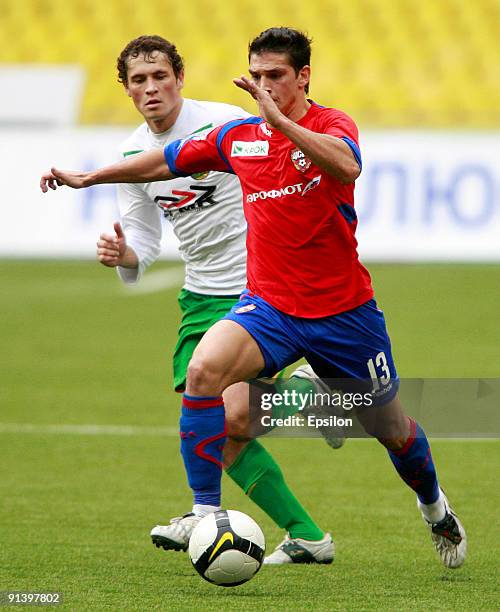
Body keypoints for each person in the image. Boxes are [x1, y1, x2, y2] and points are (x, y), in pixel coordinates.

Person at [40, 27, 467, 569]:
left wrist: (281, 122)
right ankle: (206, 514)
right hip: (269, 308)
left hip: (344, 314)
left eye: (277, 77)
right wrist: (90, 177)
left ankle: (434, 508)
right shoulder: (236, 137)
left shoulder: (331, 125)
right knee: (203, 373)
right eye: (257, 76)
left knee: (393, 430)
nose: (265, 86)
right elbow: (162, 162)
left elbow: (347, 166)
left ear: (303, 76)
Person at [93, 34, 335, 564]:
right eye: (139, 80)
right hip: (200, 296)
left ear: (180, 78)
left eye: (160, 76)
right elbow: (145, 245)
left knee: (220, 417)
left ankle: (205, 515)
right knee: (225, 432)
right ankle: (308, 536)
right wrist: (124, 256)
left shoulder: (224, 122)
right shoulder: (134, 155)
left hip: (258, 288)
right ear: (126, 89)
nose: (151, 87)